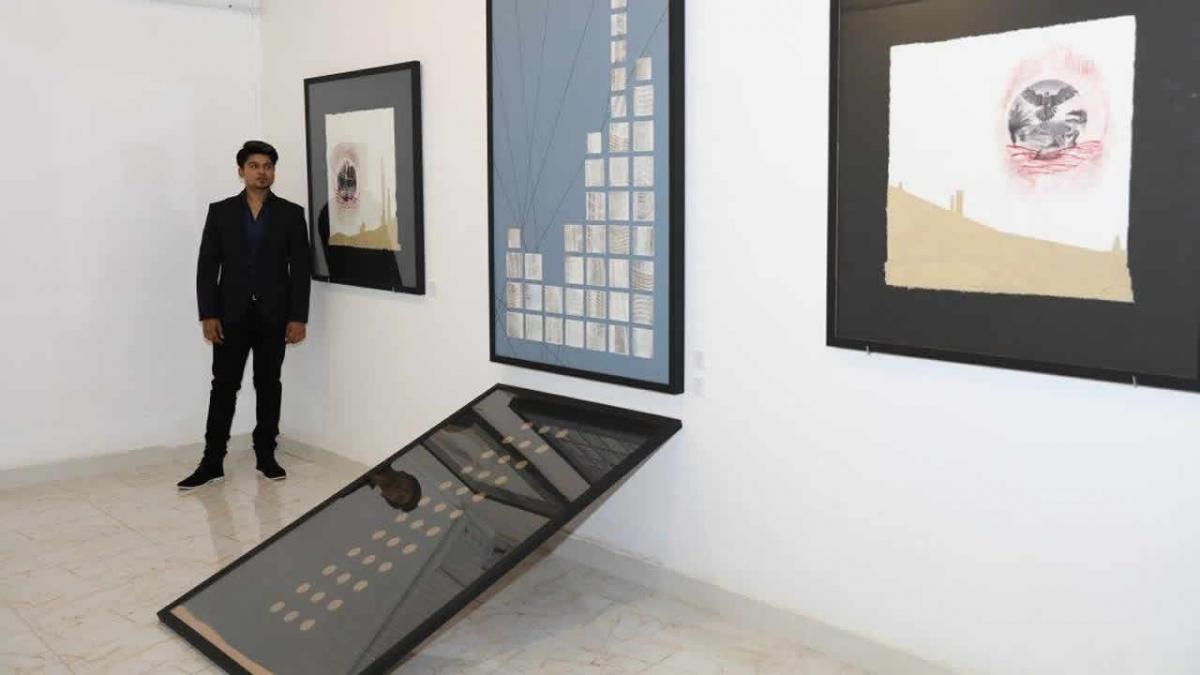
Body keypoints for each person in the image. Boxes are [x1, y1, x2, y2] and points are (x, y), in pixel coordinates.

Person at [178, 140, 311, 490]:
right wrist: (208, 314)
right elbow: (207, 267)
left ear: (273, 172)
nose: (261, 172)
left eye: (267, 166)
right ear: (241, 171)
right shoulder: (221, 212)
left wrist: (298, 317)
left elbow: (300, 270)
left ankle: (266, 454)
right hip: (229, 316)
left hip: (274, 316)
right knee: (223, 387)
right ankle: (212, 461)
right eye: (254, 166)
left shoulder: (291, 214)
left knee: (269, 385)